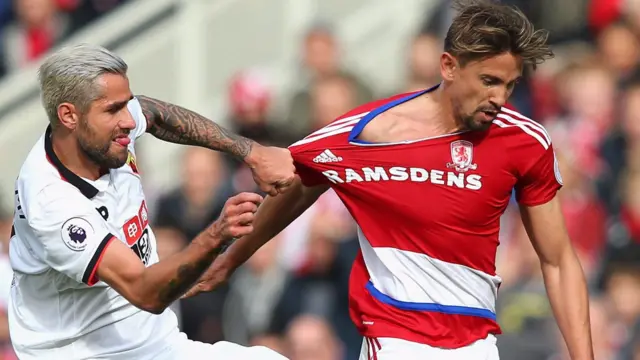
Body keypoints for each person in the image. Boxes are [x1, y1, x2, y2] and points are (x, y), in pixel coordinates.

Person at [185, 1, 595, 359]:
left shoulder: (525, 142)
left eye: (510, 85)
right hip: (395, 339)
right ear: (449, 66)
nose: (500, 98)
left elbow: (557, 261)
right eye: (489, 81)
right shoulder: (368, 131)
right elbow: (301, 184)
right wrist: (232, 258)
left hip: (478, 344)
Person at [7, 43, 293, 360]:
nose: (129, 120)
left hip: (154, 343)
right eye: (113, 109)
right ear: (69, 115)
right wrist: (217, 235)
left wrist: (250, 152)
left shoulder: (101, 139)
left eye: (126, 104)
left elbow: (155, 115)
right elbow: (145, 292)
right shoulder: (53, 202)